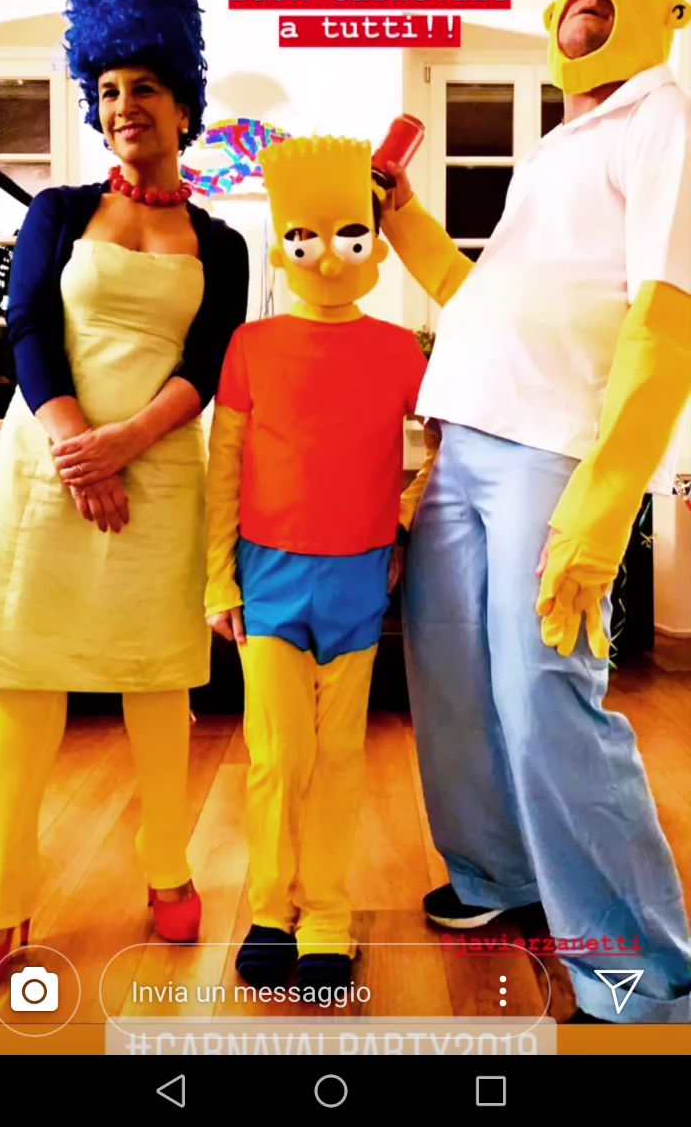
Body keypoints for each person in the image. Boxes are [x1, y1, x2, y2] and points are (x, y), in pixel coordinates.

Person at [380, 0, 691, 1023]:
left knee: (546, 693)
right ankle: (495, 877)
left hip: (554, 450)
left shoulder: (666, 123)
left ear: (662, 0)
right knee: (453, 677)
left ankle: (642, 975)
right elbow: (490, 296)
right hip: (461, 434)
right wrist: (404, 219)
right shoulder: (559, 144)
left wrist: (602, 512)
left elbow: (666, 325)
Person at [0, 0, 249, 996]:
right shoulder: (56, 211)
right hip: (44, 473)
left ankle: (167, 865)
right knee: (28, 676)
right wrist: (76, 446)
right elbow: (29, 327)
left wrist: (127, 443)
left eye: (145, 88)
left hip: (162, 475)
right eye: (109, 91)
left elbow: (208, 359)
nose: (124, 105)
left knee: (157, 678)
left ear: (183, 104)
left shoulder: (223, 243)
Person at [204, 135, 426, 993]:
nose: (327, 256)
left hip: (358, 578)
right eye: (304, 237)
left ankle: (326, 913)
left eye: (348, 235)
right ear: (282, 243)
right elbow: (225, 464)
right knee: (276, 751)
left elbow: (446, 441)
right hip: (268, 576)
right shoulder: (250, 345)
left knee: (339, 754)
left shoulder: (399, 349)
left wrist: (401, 518)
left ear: (374, 242)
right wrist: (218, 577)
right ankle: (271, 910)